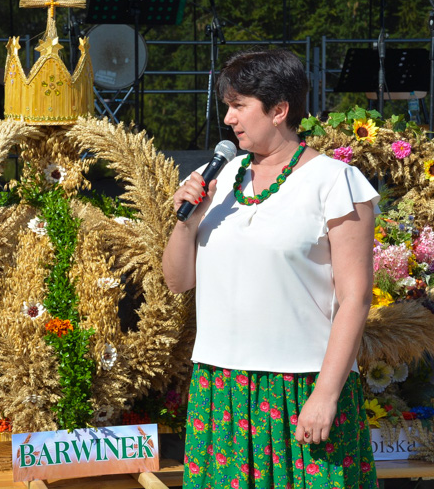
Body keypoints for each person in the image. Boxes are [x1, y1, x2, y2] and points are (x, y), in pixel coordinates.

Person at [162, 49, 379, 489]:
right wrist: (186, 223)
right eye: (228, 106)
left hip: (302, 388)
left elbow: (355, 298)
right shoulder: (215, 176)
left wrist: (326, 394)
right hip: (222, 389)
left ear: (279, 110)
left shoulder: (335, 181)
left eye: (239, 105)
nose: (228, 118)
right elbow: (178, 281)